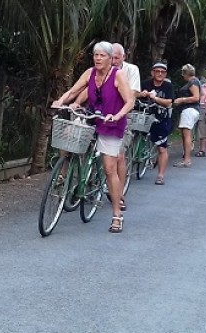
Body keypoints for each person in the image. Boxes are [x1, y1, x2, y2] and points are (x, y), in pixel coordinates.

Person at [52, 41, 135, 233]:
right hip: (91, 117)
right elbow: (74, 91)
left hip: (111, 123)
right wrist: (61, 101)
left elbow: (130, 100)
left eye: (102, 55)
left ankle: (116, 215)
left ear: (110, 58)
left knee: (109, 169)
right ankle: (65, 172)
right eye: (95, 55)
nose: (98, 58)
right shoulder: (89, 73)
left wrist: (118, 115)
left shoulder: (117, 75)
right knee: (68, 135)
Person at [139, 62, 175, 185]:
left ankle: (160, 175)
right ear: (152, 72)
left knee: (162, 148)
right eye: (157, 71)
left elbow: (169, 102)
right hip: (144, 116)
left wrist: (155, 99)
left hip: (161, 118)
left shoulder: (168, 86)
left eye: (162, 72)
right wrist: (141, 94)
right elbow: (134, 96)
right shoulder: (145, 84)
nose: (160, 74)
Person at [112, 44, 140, 197]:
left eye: (117, 57)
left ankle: (119, 194)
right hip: (104, 113)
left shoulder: (131, 70)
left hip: (124, 113)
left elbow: (133, 93)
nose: (114, 60)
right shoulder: (103, 69)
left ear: (123, 57)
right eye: (112, 57)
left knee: (119, 154)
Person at [172, 64, 202, 167]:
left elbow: (196, 97)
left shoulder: (193, 82)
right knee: (185, 135)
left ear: (185, 73)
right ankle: (186, 158)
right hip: (188, 110)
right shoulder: (194, 81)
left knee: (186, 135)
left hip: (190, 110)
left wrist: (182, 100)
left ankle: (187, 160)